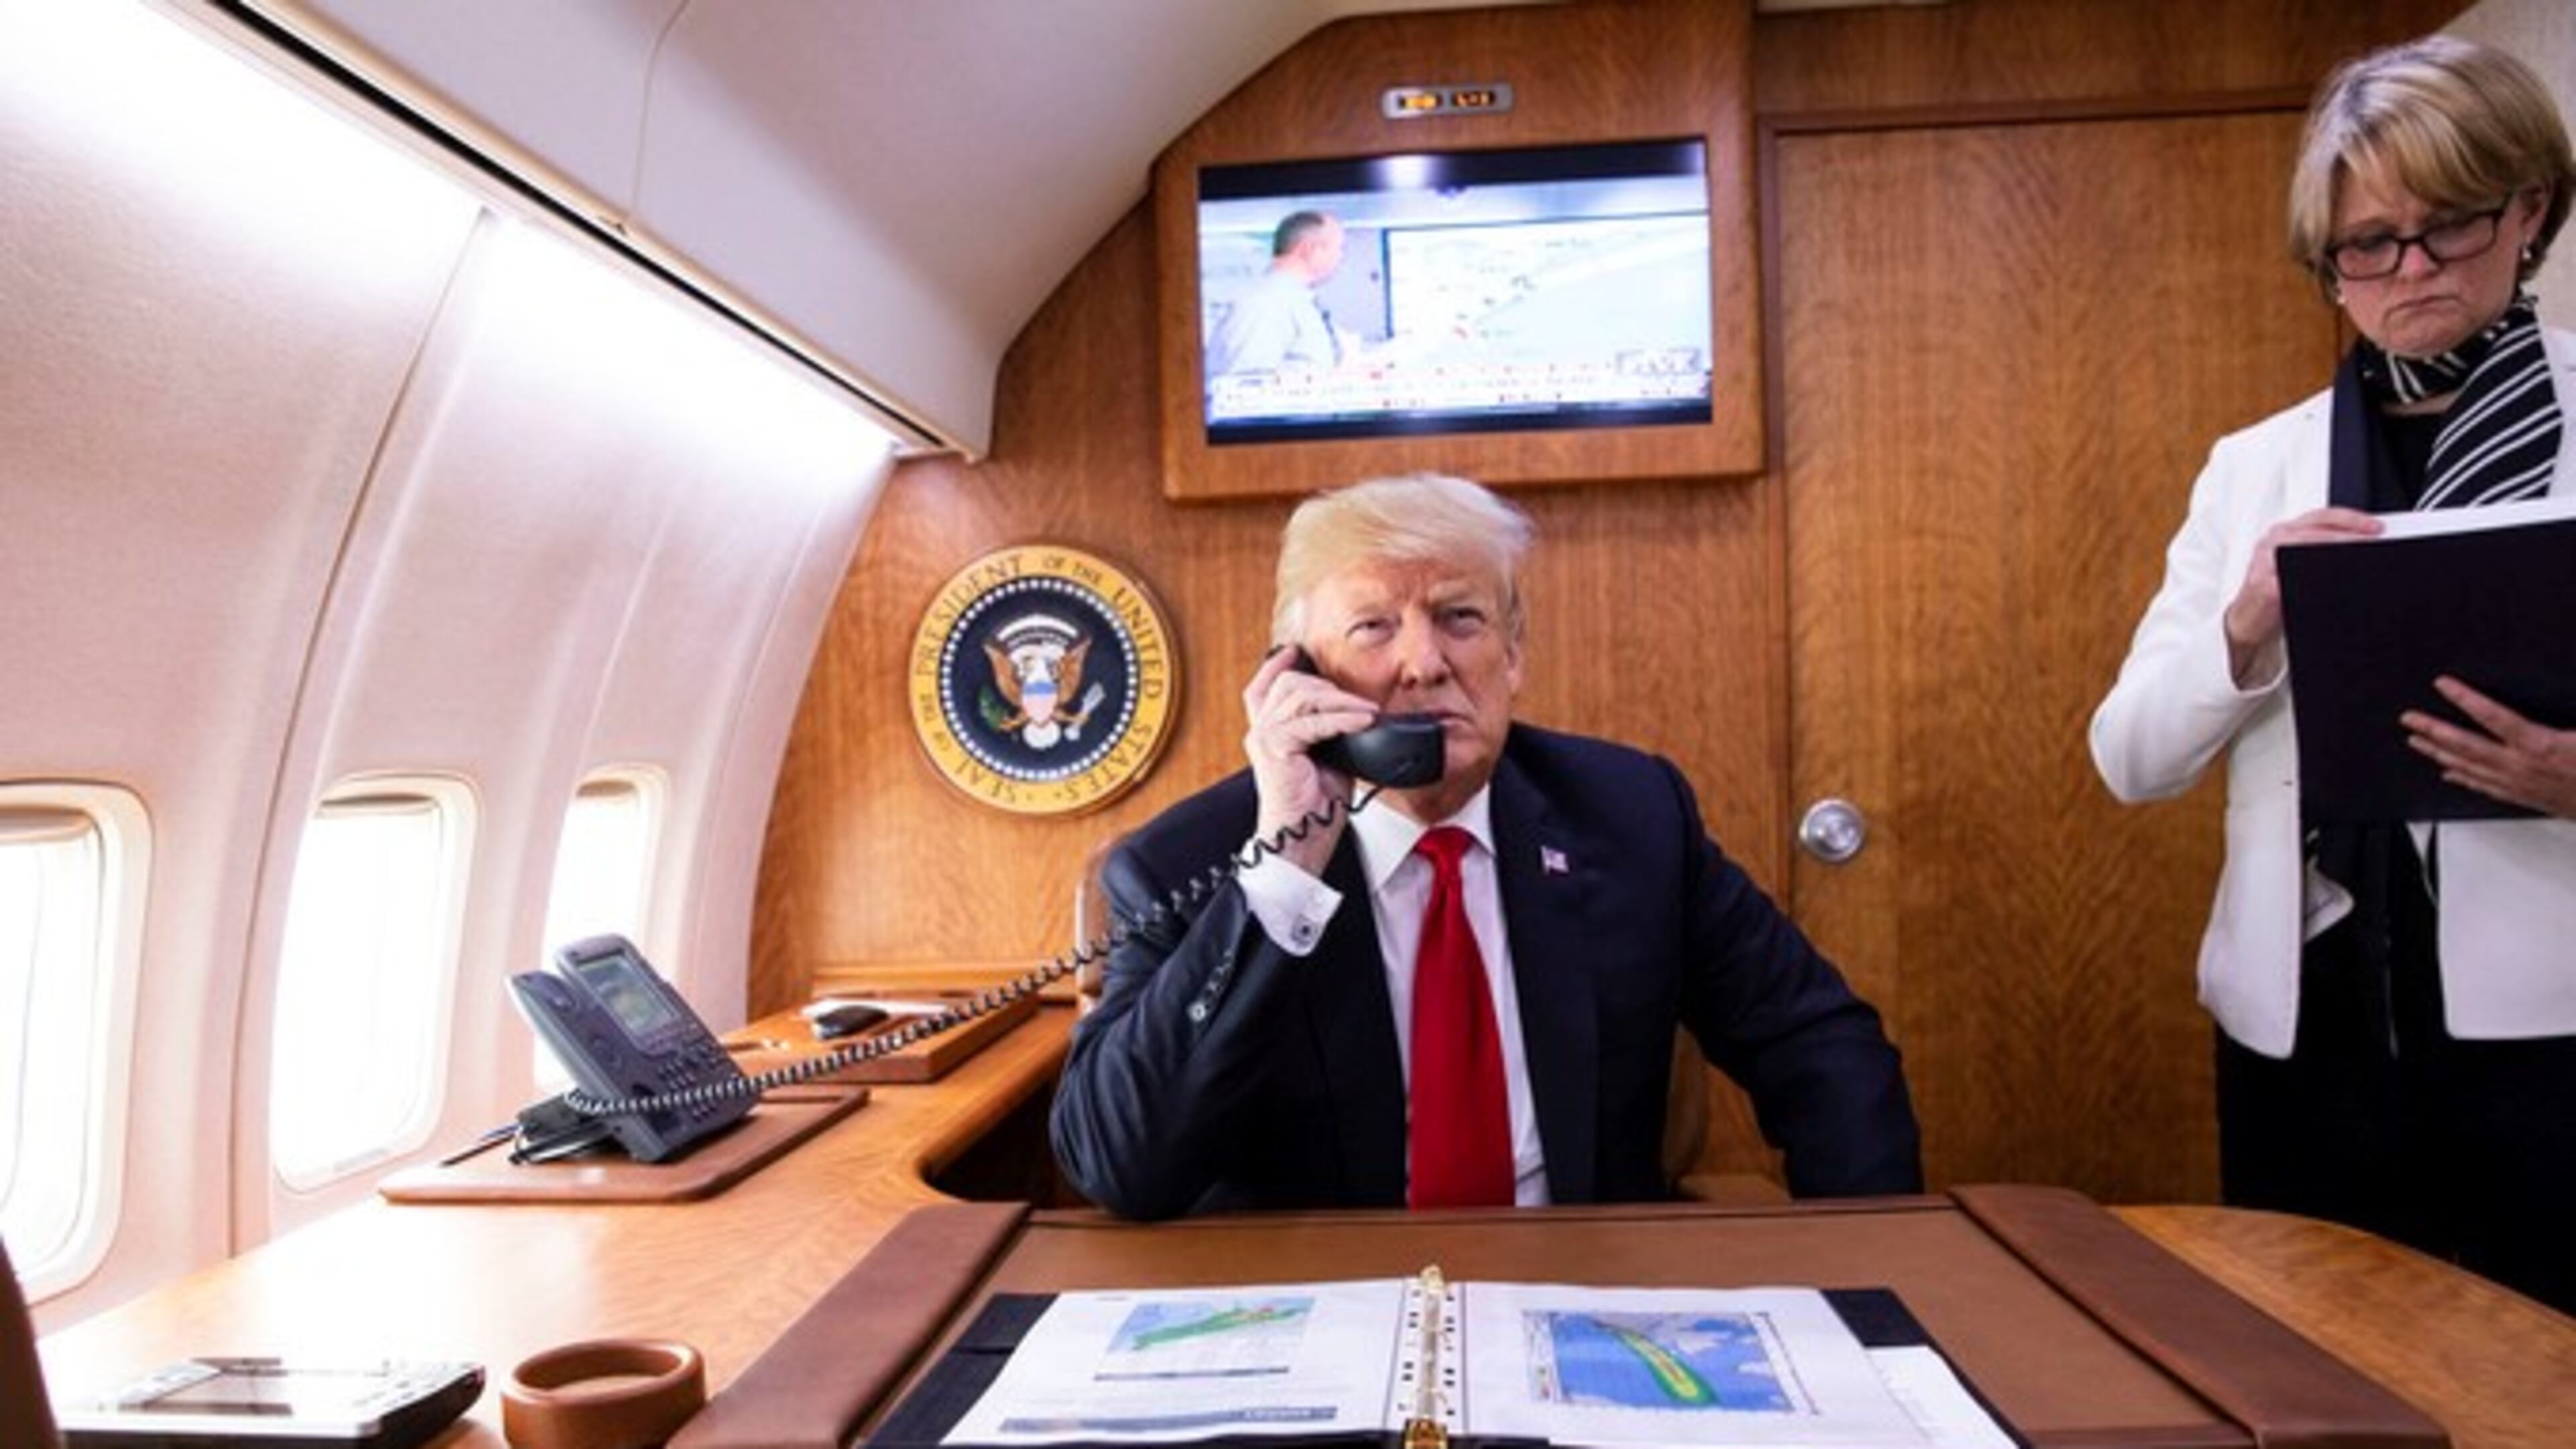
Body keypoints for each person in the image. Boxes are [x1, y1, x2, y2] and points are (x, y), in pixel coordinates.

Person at [1051, 473, 1922, 1220]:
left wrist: (1869, 1279)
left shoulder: (1631, 815)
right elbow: (1123, 1168)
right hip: (1326, 1308)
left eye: (1459, 618)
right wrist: (1286, 868)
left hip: (1576, 1287)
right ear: (1298, 676)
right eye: (1373, 629)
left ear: (1514, 655)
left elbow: (1821, 1047)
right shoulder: (1184, 864)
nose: (1424, 663)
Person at [2090, 35, 2576, 1313]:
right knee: (2321, 1374)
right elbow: (2130, 756)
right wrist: (2248, 625)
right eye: (2368, 244)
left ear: (2528, 210)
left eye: (2449, 226)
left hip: (2554, 1032)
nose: (2407, 272)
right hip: (2307, 1026)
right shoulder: (2252, 467)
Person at [1203, 210, 1349, 378]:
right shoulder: (1267, 303)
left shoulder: (1294, 300)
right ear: (1309, 249)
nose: (1340, 258)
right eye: (1339, 249)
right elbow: (1245, 389)